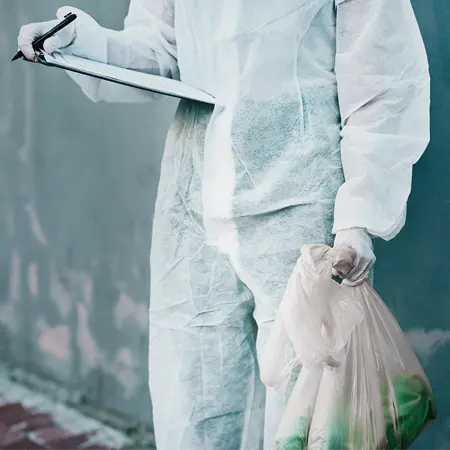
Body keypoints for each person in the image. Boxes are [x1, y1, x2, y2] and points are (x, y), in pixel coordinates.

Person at [17, 1, 430, 449]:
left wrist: (358, 219)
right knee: (193, 398)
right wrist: (75, 43)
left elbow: (383, 84)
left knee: (305, 409)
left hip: (302, 203)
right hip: (194, 199)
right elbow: (158, 48)